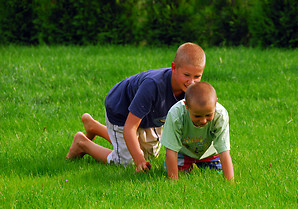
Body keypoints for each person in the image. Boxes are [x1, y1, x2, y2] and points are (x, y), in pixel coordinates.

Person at [66, 42, 206, 172]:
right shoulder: (153, 86)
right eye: (187, 75)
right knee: (128, 162)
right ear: (174, 68)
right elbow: (130, 127)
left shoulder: (191, 90)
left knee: (149, 157)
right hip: (121, 111)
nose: (191, 82)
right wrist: (138, 160)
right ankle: (82, 143)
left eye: (197, 76)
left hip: (150, 116)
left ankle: (94, 127)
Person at [161, 82, 234, 181]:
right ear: (186, 105)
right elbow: (171, 150)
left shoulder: (220, 115)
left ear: (215, 103)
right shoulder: (176, 114)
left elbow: (224, 151)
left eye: (208, 115)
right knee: (174, 171)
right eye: (197, 116)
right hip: (183, 152)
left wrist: (230, 183)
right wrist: (173, 182)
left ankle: (205, 162)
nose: (203, 121)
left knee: (215, 175)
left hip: (209, 153)